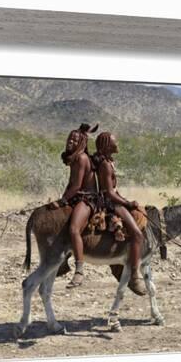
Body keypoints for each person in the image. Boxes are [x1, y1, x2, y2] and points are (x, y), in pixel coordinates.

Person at [91, 131, 146, 294]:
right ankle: (134, 276)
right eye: (115, 142)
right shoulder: (106, 165)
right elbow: (109, 192)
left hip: (113, 200)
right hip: (110, 204)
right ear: (108, 146)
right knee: (137, 235)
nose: (117, 144)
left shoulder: (108, 162)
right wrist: (127, 203)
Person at [49, 123, 99, 288]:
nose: (70, 141)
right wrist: (62, 199)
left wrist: (62, 201)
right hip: (77, 197)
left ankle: (79, 271)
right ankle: (63, 263)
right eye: (70, 138)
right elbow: (71, 185)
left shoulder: (81, 158)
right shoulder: (74, 159)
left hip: (87, 200)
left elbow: (77, 186)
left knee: (73, 229)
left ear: (82, 142)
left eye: (74, 139)